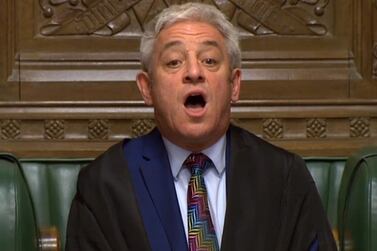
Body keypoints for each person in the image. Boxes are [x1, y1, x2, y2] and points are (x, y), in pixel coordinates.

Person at [66, 3, 336, 251]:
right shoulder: (105, 183)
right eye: (174, 62)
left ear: (235, 85)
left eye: (209, 60)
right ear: (147, 89)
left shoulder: (284, 176)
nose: (194, 72)